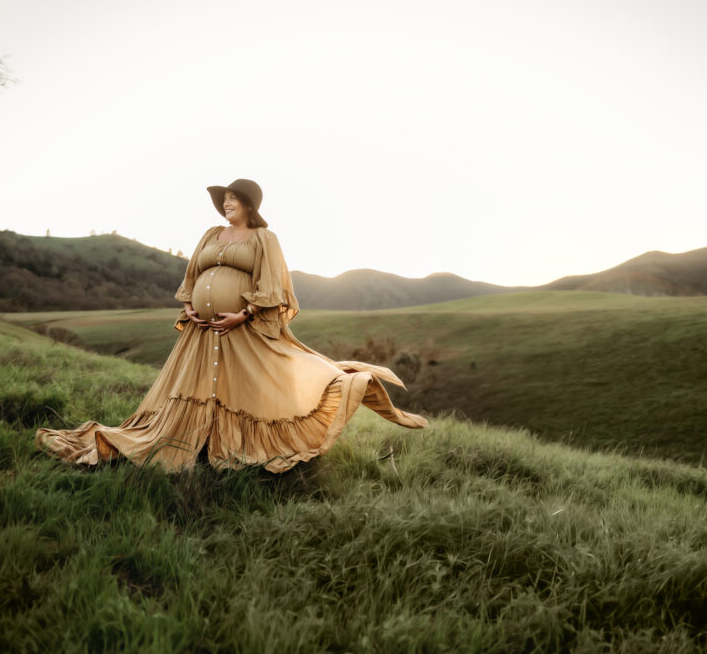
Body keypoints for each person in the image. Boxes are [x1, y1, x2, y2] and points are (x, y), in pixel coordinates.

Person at [35, 179, 427, 473]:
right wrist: (190, 305)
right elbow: (192, 273)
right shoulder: (211, 235)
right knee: (193, 389)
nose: (226, 205)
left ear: (248, 205)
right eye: (223, 201)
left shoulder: (263, 238)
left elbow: (272, 284)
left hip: (238, 329)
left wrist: (243, 314)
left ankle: (220, 447)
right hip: (201, 331)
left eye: (233, 200)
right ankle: (188, 441)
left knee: (242, 390)